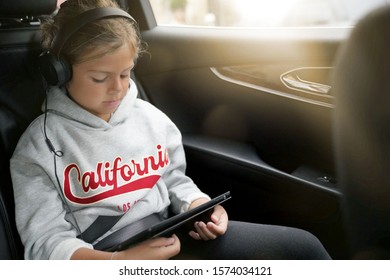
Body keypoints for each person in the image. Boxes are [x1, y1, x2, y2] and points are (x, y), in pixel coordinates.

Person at [10, 0, 331, 260]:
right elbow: (45, 243)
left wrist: (198, 206)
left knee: (302, 248)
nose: (118, 89)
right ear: (60, 72)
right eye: (100, 78)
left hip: (170, 235)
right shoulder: (39, 148)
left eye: (126, 73)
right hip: (104, 257)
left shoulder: (150, 119)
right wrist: (118, 264)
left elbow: (173, 180)